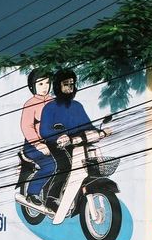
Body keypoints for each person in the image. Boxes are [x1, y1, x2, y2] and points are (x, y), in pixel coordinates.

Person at [38, 69, 99, 207]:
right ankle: (51, 198)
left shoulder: (77, 106)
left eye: (72, 84)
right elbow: (44, 130)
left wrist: (100, 131)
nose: (70, 87)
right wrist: (60, 136)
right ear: (58, 86)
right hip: (55, 143)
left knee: (89, 161)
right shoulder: (50, 107)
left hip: (75, 142)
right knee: (65, 165)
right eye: (66, 84)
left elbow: (87, 125)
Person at [19, 69, 55, 208]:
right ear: (32, 86)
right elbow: (26, 127)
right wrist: (39, 144)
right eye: (40, 84)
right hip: (33, 145)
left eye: (47, 83)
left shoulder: (54, 102)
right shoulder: (30, 104)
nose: (45, 87)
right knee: (51, 165)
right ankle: (33, 193)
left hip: (55, 143)